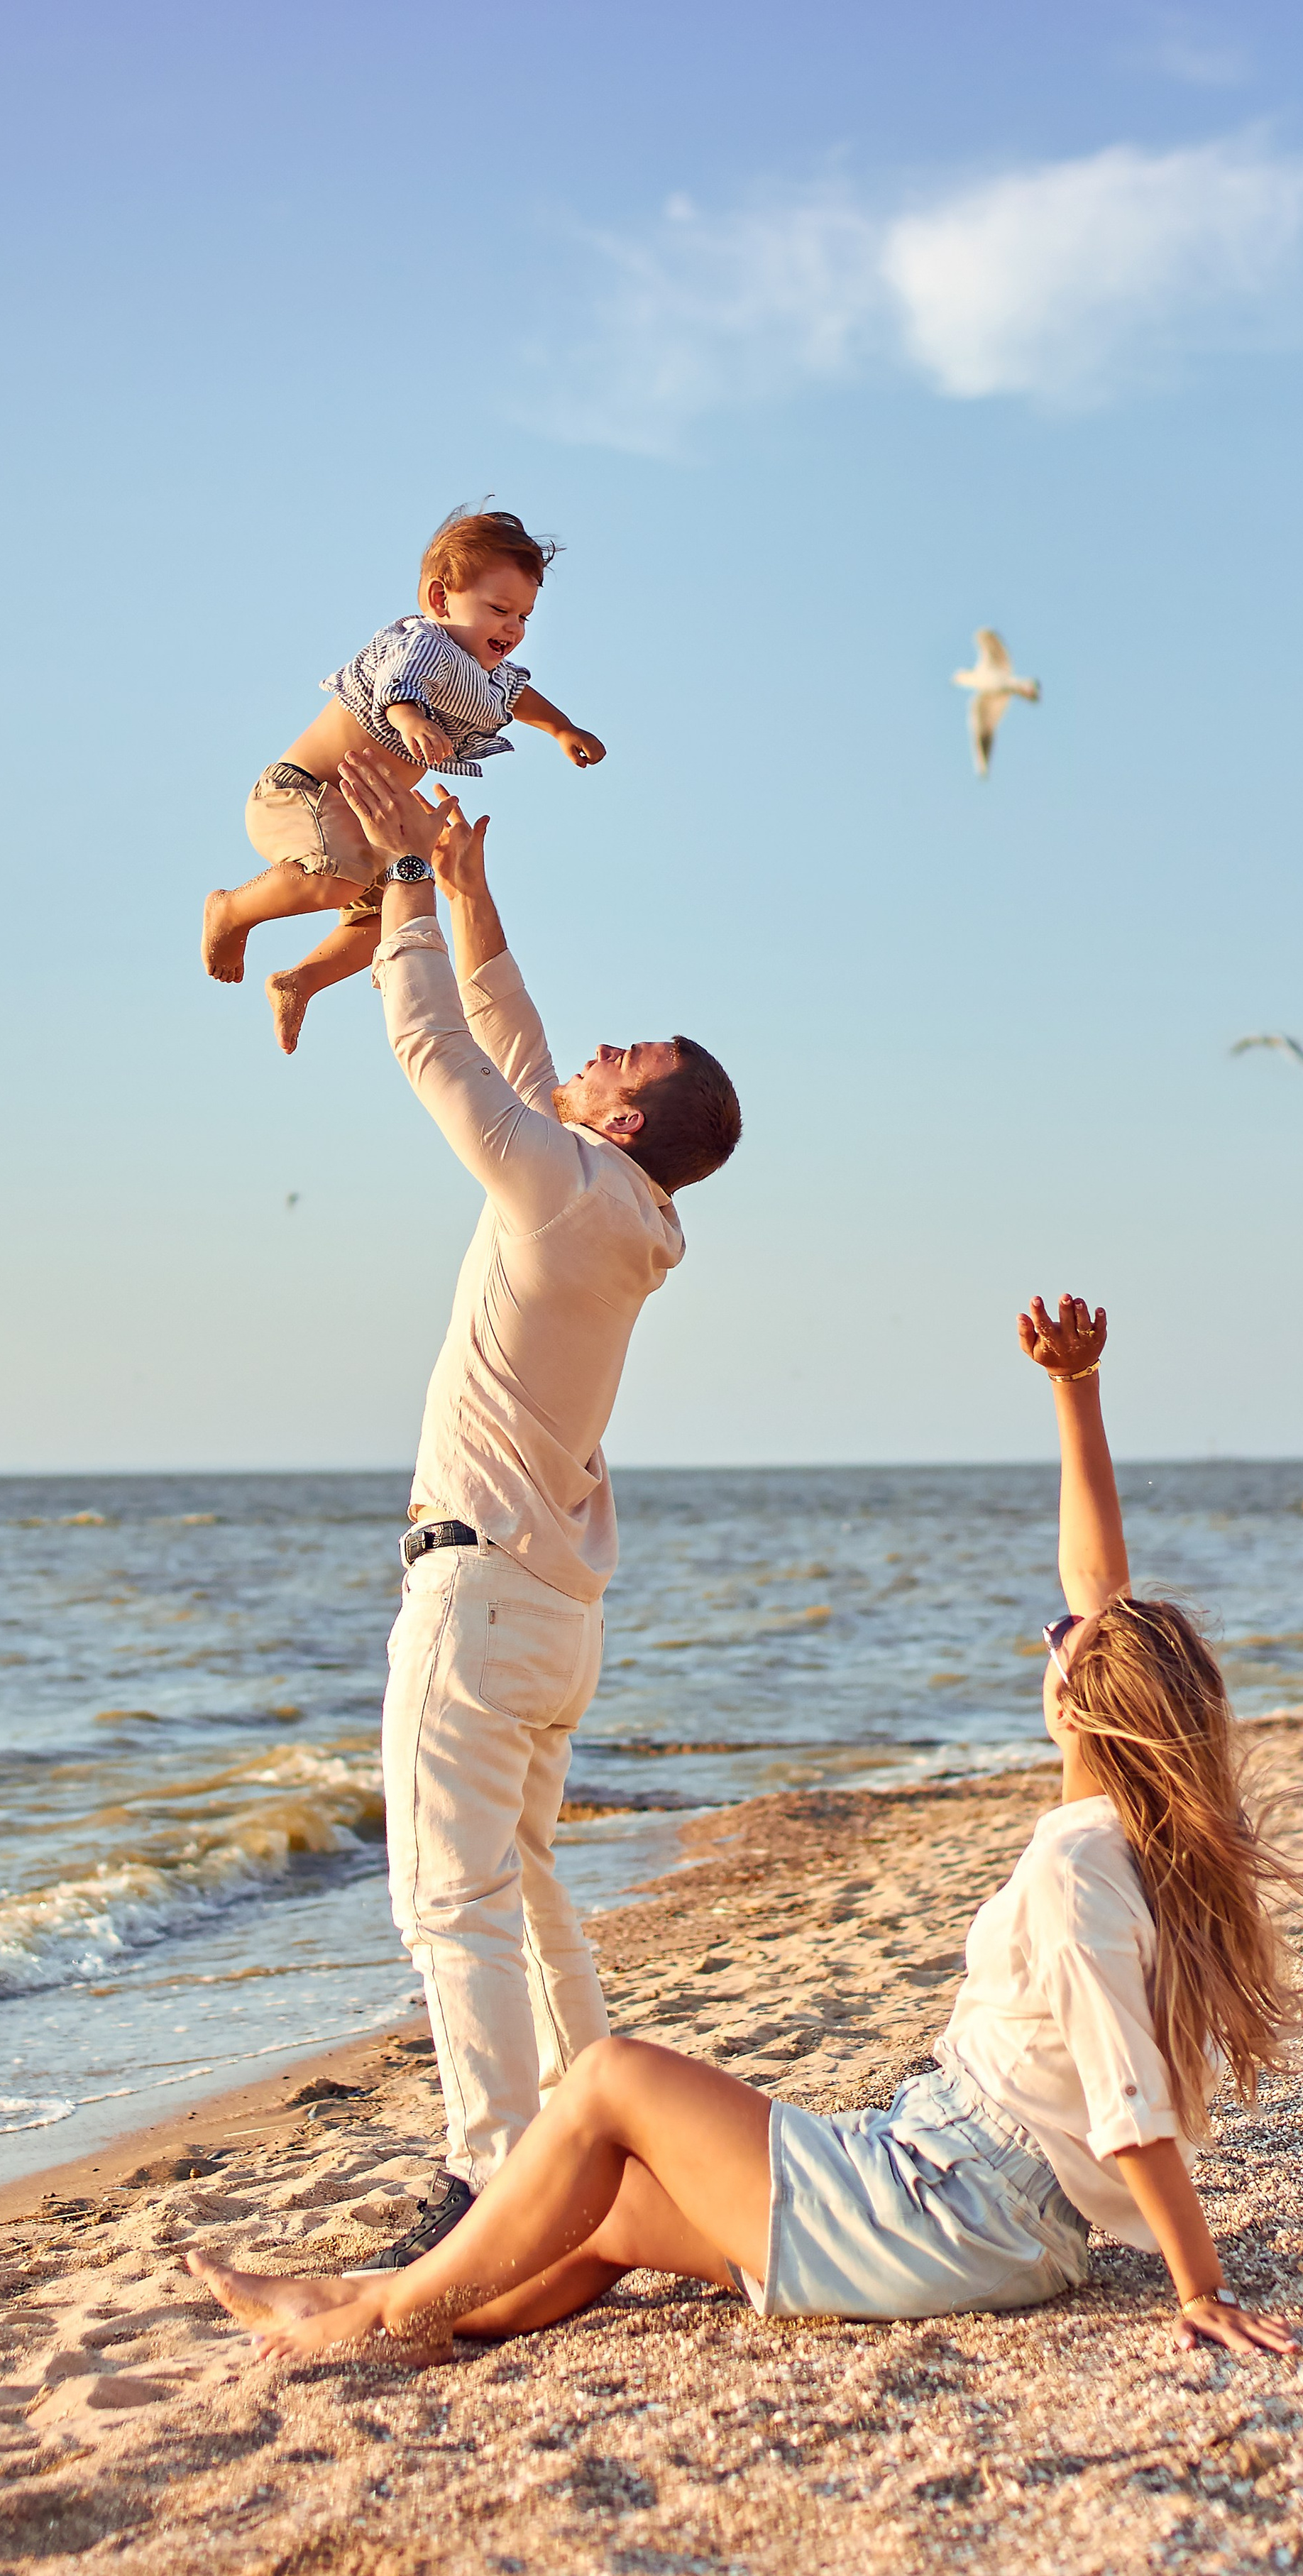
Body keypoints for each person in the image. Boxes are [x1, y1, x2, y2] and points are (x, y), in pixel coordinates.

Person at [191, 1293, 1303, 2359]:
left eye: (1063, 1643)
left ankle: (374, 2314)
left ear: (1075, 1706)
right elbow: (1098, 1587)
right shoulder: (1137, 1832)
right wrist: (1077, 1390)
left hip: (954, 2204)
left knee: (608, 2079)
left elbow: (1130, 2104)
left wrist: (1201, 2290)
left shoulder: (1078, 1865)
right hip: (981, 2203)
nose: (1059, 1632)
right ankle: (392, 2311)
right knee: (613, 2208)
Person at [316, 750, 741, 2268]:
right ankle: (582, 2148)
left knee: (454, 1906)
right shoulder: (621, 1207)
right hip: (547, 1617)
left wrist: (404, 884)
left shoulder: (567, 1191)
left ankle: (497, 2180)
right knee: (527, 1891)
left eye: (627, 1057)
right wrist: (471, 896)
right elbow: (521, 1052)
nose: (600, 1048)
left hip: (485, 1596)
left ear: (622, 1123)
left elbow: (438, 1050)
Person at [201, 508, 606, 1054]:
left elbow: (517, 696)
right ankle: (230, 910)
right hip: (300, 793)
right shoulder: (423, 642)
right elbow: (400, 681)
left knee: (391, 914)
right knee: (339, 880)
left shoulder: (484, 675)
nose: (513, 628)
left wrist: (561, 727)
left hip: (354, 821)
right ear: (441, 599)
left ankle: (299, 981)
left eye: (524, 616)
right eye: (499, 610)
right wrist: (409, 717)